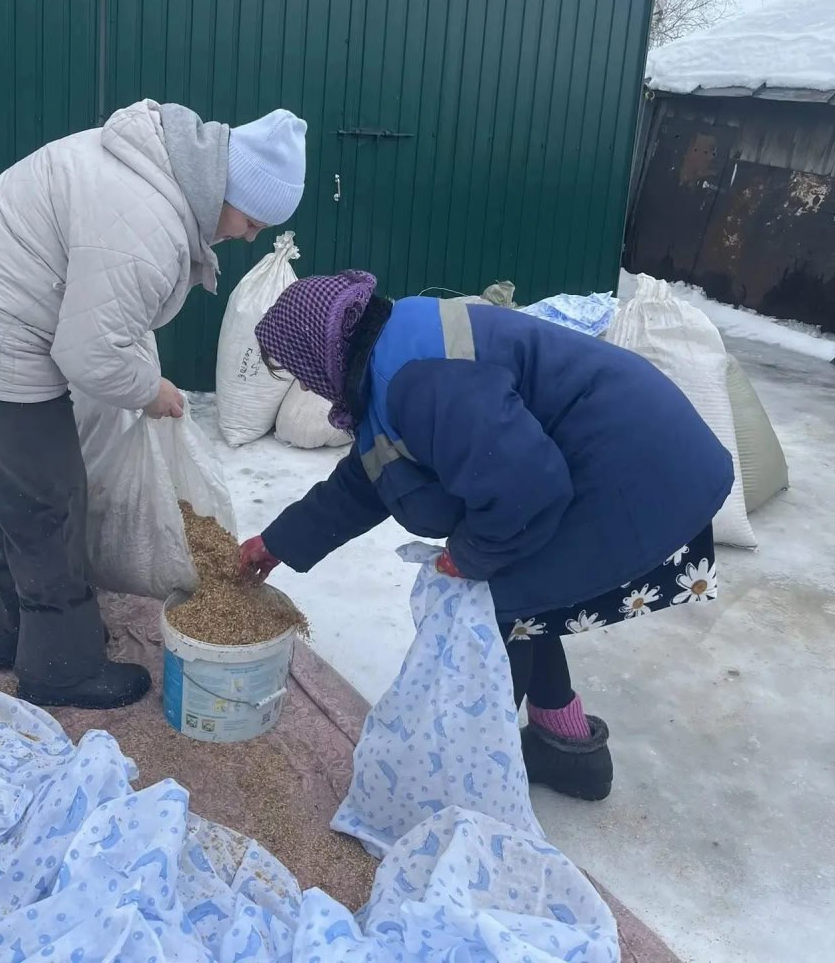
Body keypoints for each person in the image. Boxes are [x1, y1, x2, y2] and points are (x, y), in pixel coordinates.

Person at [239, 272, 733, 801]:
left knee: (494, 606)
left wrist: (470, 554)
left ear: (318, 351)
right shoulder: (389, 353)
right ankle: (568, 748)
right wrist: (279, 542)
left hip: (638, 470)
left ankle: (465, 784)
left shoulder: (417, 380)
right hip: (621, 457)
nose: (305, 385)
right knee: (522, 594)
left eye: (296, 369)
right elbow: (369, 479)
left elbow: (526, 490)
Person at [0, 99, 307, 711]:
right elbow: (91, 353)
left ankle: (15, 623)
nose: (249, 236)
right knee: (50, 499)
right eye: (251, 220)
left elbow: (101, 309)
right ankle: (60, 668)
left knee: (14, 482)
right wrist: (149, 390)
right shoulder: (149, 220)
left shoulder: (151, 170)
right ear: (224, 187)